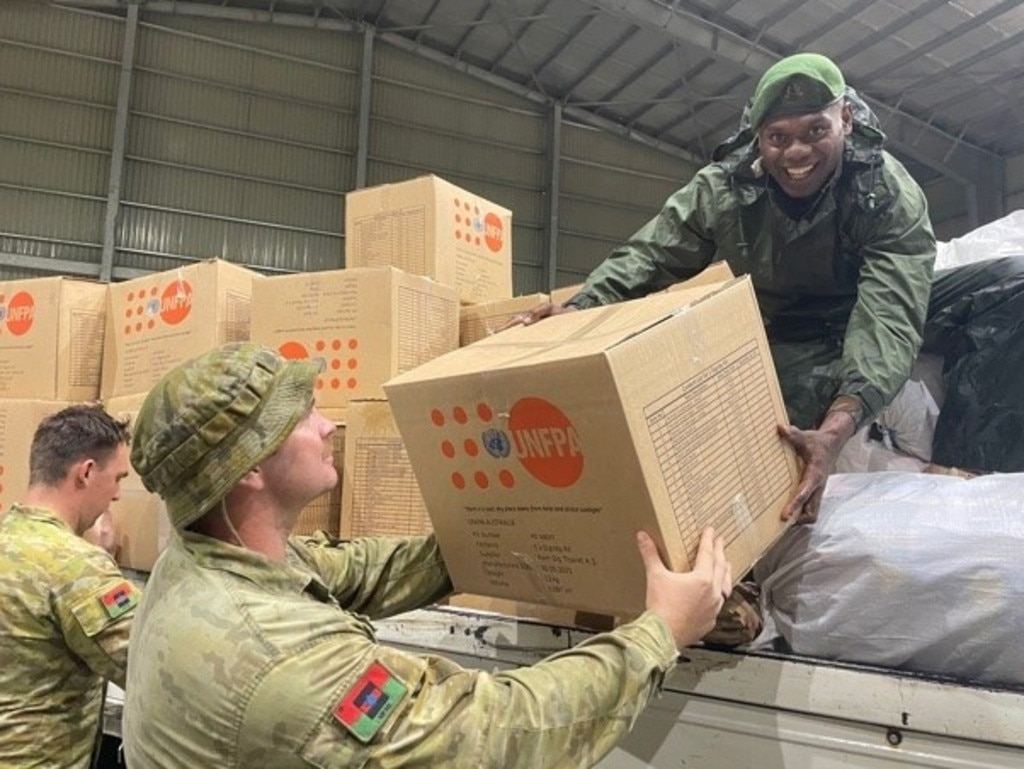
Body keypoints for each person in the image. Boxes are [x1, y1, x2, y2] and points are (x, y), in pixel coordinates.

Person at [121, 341, 730, 768]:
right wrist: (662, 632)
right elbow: (497, 737)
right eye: (302, 416)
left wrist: (512, 521)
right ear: (248, 469)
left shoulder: (207, 558)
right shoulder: (285, 661)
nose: (329, 424)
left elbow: (363, 572)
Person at [511, 52, 1024, 520]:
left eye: (815, 130)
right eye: (778, 137)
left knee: (1013, 286)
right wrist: (582, 305)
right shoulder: (724, 190)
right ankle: (733, 585)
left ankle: (965, 468)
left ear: (845, 119)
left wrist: (842, 421)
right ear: (758, 137)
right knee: (761, 443)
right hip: (790, 328)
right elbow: (652, 254)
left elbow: (889, 315)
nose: (795, 151)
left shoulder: (884, 190)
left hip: (872, 299)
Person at [0, 403, 135, 769]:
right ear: (87, 472)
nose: (118, 495)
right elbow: (148, 663)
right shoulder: (78, 567)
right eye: (119, 478)